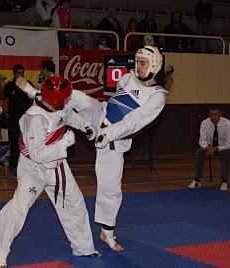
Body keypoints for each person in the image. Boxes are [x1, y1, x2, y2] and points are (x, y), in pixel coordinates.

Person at [18, 45, 173, 252]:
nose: (138, 66)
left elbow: (133, 122)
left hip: (115, 140)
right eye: (136, 61)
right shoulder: (127, 77)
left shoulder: (157, 97)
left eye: (142, 62)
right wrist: (98, 123)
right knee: (78, 97)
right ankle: (36, 93)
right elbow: (114, 101)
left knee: (111, 188)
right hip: (100, 113)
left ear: (155, 65)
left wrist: (107, 134)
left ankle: (107, 233)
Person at [0, 75, 99, 268]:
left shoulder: (55, 102)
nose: (69, 99)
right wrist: (65, 143)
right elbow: (38, 154)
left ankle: (84, 248)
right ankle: (1, 253)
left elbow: (68, 115)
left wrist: (86, 126)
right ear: (56, 99)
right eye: (66, 97)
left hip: (57, 165)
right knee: (19, 206)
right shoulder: (35, 118)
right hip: (34, 167)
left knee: (74, 203)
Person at [188, 107, 230, 191]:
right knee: (199, 152)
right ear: (209, 115)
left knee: (226, 153)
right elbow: (202, 140)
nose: (214, 117)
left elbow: (229, 144)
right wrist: (207, 148)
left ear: (220, 114)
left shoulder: (228, 124)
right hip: (209, 148)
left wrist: (216, 148)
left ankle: (224, 181)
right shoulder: (204, 123)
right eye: (212, 114)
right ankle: (197, 181)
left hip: (223, 148)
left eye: (216, 114)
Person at [3, 64, 33, 172]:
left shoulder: (28, 85)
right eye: (18, 73)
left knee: (28, 142)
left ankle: (29, 165)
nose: (20, 75)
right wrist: (5, 113)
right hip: (13, 120)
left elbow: (33, 101)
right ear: (14, 74)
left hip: (26, 119)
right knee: (14, 142)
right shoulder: (9, 86)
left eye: (22, 73)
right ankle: (13, 165)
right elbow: (4, 102)